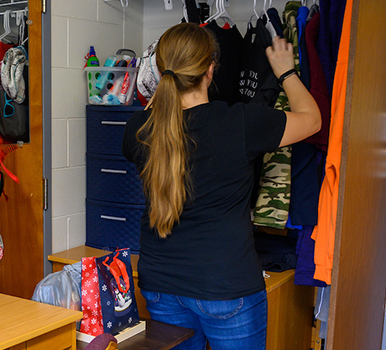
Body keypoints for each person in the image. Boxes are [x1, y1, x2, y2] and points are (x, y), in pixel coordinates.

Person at [122, 23, 320, 350]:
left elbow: (158, 119)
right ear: (211, 69)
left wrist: (162, 86)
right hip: (226, 287)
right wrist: (286, 72)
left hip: (160, 284)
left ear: (159, 70)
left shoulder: (138, 129)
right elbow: (312, 119)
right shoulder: (241, 122)